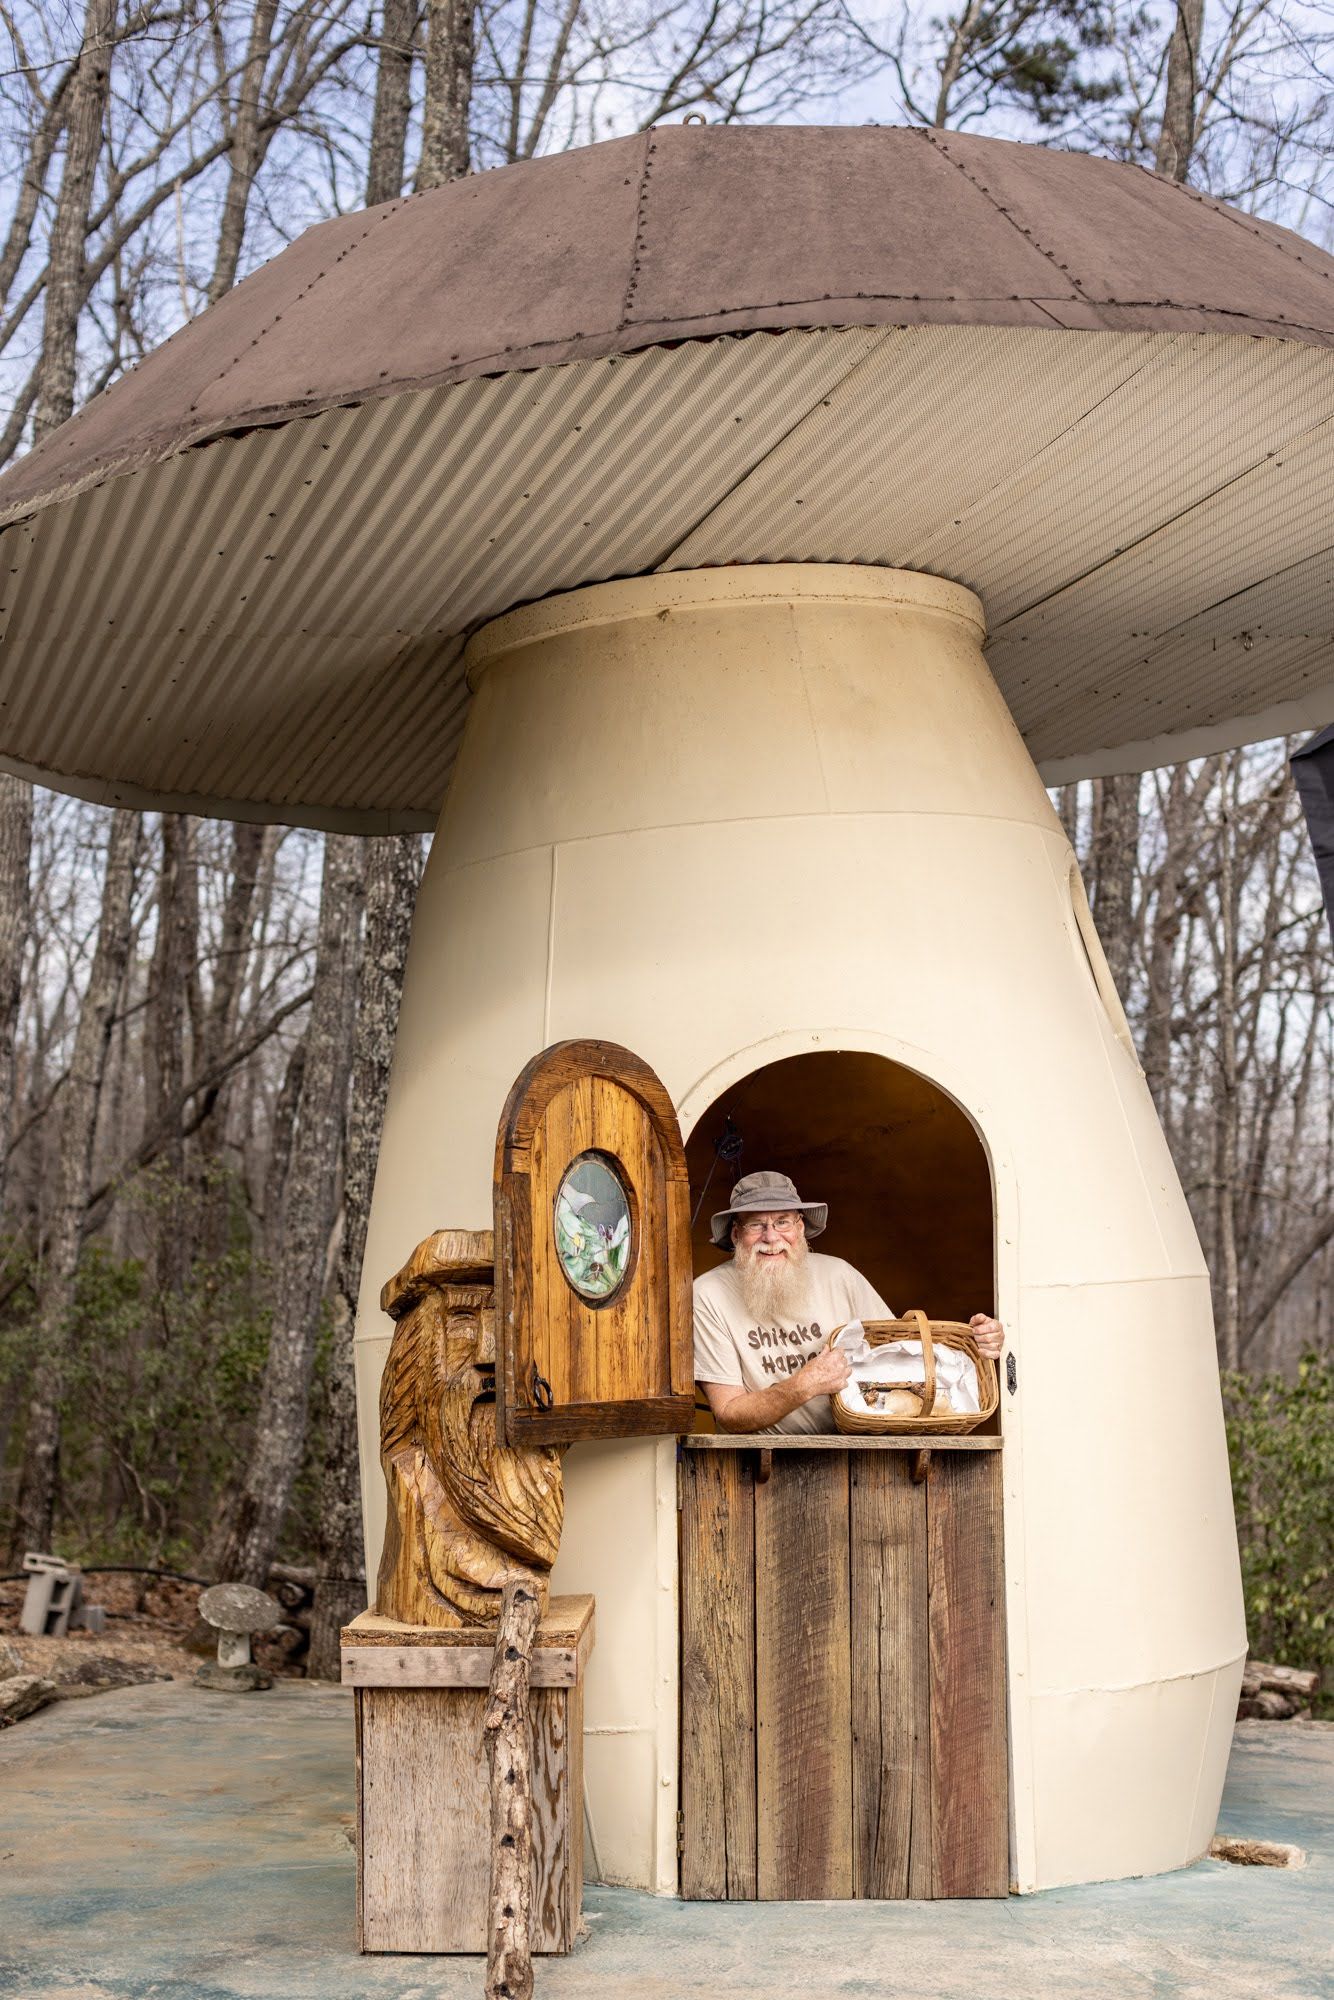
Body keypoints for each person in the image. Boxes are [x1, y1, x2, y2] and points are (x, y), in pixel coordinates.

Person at [693, 1169, 1004, 1435]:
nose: (771, 1237)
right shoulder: (708, 1294)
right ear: (736, 1235)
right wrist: (805, 1384)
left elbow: (904, 1356)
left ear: (800, 1228)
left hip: (860, 1450)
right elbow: (729, 1412)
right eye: (756, 1224)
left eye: (783, 1221)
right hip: (758, 1467)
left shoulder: (839, 1274)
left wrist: (977, 1345)